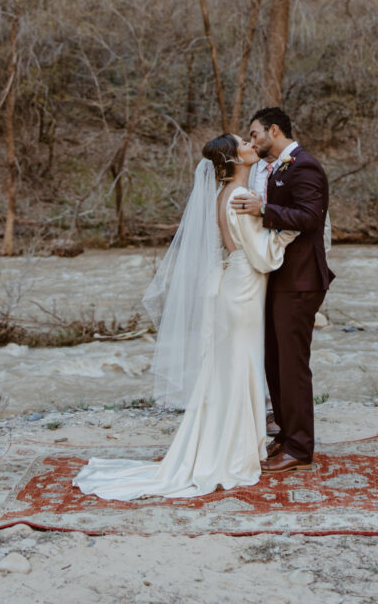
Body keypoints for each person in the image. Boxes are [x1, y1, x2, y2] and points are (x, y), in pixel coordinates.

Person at [73, 134, 297, 500]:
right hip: (243, 285)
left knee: (233, 367)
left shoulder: (223, 194)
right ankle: (233, 450)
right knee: (241, 366)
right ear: (234, 158)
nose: (250, 144)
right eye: (243, 143)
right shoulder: (240, 197)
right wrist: (287, 231)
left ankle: (232, 443)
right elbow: (261, 254)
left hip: (234, 283)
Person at [234, 107, 333, 474]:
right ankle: (287, 434)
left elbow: (310, 218)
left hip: (301, 280)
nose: (253, 140)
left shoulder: (305, 166)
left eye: (255, 133)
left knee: (292, 365)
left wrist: (264, 210)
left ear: (274, 130)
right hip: (280, 279)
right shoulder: (278, 167)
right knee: (275, 362)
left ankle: (301, 449)